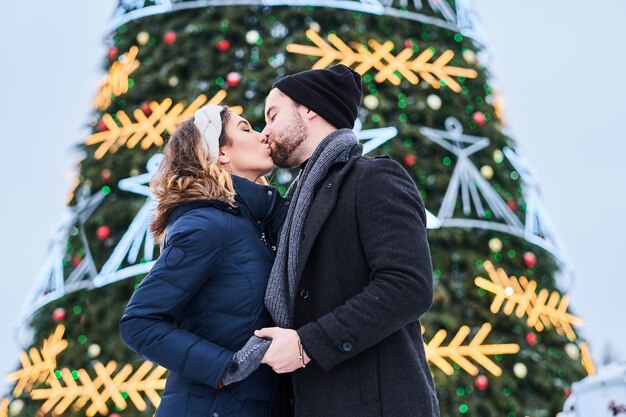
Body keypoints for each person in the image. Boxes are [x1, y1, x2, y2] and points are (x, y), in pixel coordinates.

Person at [255, 64, 440, 417]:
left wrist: (307, 345)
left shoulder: (373, 178)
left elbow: (408, 285)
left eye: (273, 115)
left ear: (308, 109)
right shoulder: (292, 206)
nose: (266, 132)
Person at [119, 104, 288, 417]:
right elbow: (139, 322)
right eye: (246, 128)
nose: (264, 136)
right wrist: (228, 365)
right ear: (220, 151)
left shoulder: (256, 226)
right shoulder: (207, 225)